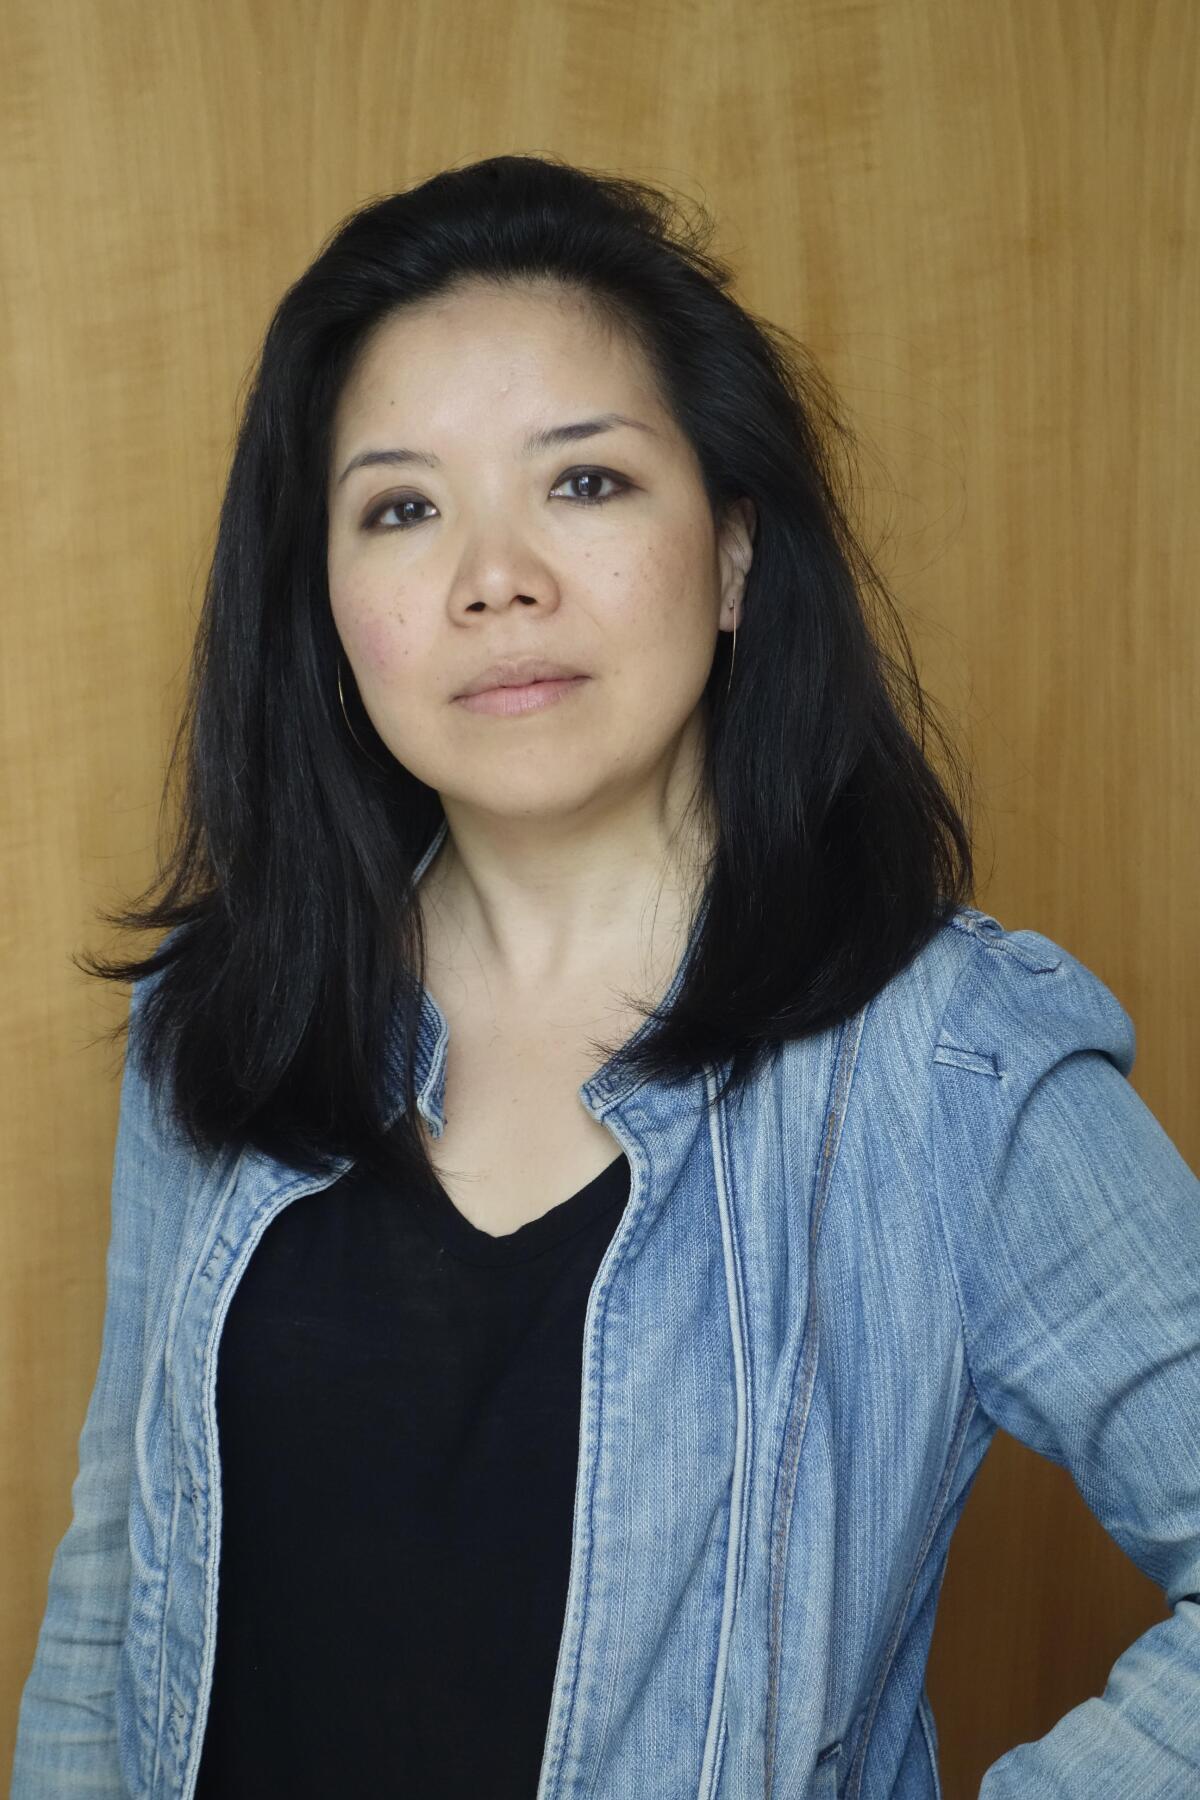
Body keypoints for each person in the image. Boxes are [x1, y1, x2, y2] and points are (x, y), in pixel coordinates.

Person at [10, 153, 1199, 1800]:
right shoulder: (224, 1017)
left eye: (584, 483)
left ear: (730, 558)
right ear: (331, 618)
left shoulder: (952, 1066)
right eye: (403, 507)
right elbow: (115, 1588)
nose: (494, 576)